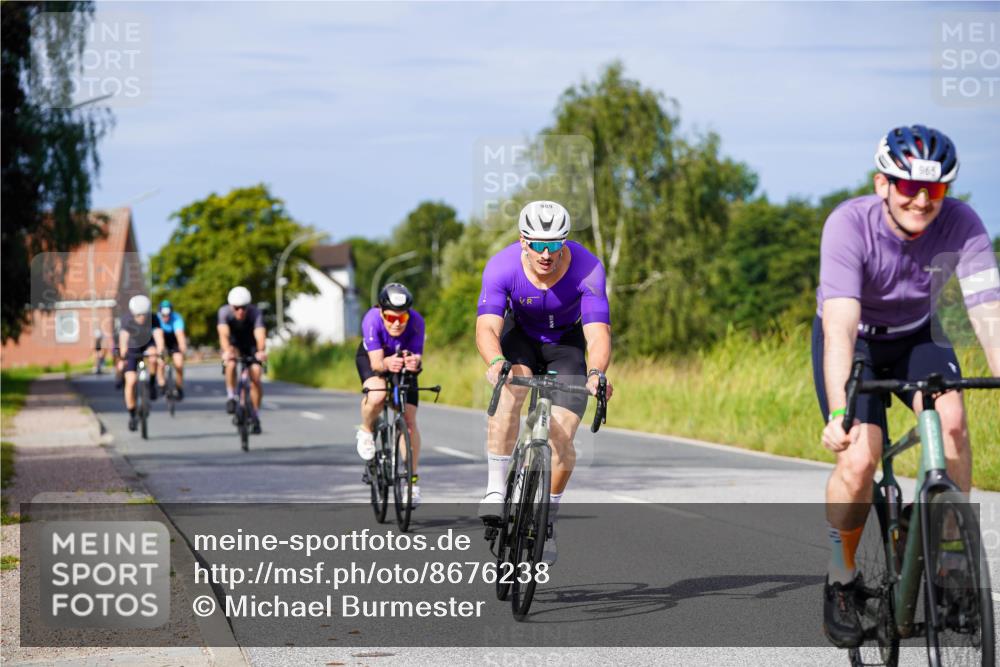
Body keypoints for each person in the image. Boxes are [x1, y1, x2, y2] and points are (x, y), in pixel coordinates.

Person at [814, 125, 1000, 648]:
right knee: (859, 458)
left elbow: (988, 311)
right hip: (858, 343)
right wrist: (838, 412)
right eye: (907, 187)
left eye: (935, 189)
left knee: (955, 426)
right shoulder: (849, 224)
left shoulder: (962, 223)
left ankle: (949, 567)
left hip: (919, 334)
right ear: (882, 184)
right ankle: (840, 576)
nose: (921, 200)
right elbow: (840, 329)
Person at [475, 200, 614, 565]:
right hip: (520, 339)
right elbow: (487, 325)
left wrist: (597, 372)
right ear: (523, 241)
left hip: (565, 346)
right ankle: (494, 487)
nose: (547, 253)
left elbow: (597, 334)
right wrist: (496, 361)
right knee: (511, 389)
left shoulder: (588, 269)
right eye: (538, 244)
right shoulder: (502, 266)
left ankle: (546, 520)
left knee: (563, 435)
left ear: (564, 242)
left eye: (555, 244)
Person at [355, 283, 426, 507]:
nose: (396, 324)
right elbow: (377, 364)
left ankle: (412, 482)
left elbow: (417, 357)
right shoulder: (371, 320)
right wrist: (387, 362)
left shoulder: (417, 322)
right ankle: (366, 431)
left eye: (401, 319)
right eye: (390, 318)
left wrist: (415, 363)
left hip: (400, 363)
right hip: (375, 359)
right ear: (381, 312)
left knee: (409, 420)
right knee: (377, 395)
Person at [217, 286, 267, 434]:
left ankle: (256, 415)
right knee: (231, 363)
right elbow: (223, 334)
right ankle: (231, 397)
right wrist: (227, 351)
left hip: (251, 344)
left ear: (248, 306)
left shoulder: (255, 313)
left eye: (243, 308)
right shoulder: (224, 312)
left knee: (256, 375)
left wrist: (260, 351)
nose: (240, 311)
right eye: (237, 308)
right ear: (231, 306)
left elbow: (260, 335)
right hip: (234, 344)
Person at [118, 295, 164, 431]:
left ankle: (152, 382)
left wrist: (160, 352)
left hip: (147, 344)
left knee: (153, 356)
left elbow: (159, 336)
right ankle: (132, 414)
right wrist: (123, 354)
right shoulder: (127, 320)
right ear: (133, 313)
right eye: (138, 315)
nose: (142, 318)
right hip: (133, 346)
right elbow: (123, 339)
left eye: (144, 315)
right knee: (131, 381)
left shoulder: (154, 318)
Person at [154, 300, 188, 400]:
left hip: (173, 340)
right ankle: (161, 383)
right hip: (161, 339)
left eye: (168, 314)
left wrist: (182, 347)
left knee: (179, 364)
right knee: (161, 361)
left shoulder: (177, 318)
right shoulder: (156, 319)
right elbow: (158, 337)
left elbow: (180, 335)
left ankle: (179, 387)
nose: (166, 317)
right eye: (163, 315)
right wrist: (161, 351)